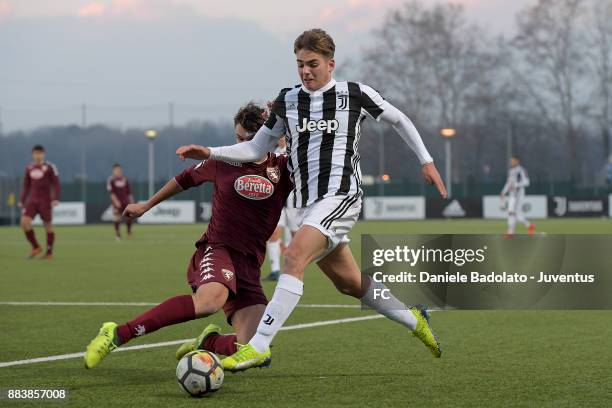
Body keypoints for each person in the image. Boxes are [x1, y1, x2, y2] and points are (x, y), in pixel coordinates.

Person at [176, 28, 447, 372]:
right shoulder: (288, 100)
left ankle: (258, 345)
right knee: (349, 283)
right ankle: (414, 320)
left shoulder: (355, 94)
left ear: (331, 64)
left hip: (341, 196)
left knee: (294, 258)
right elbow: (256, 148)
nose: (306, 71)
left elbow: (399, 119)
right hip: (308, 204)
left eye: (313, 64)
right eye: (300, 64)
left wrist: (426, 160)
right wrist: (212, 151)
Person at [83, 103, 293, 369]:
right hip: (219, 248)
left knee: (255, 349)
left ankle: (208, 342)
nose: (241, 144)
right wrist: (147, 204)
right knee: (209, 301)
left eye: (249, 140)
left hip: (251, 263)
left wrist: (288, 124)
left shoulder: (283, 168)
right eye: (238, 138)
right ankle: (116, 333)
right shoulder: (222, 160)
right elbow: (183, 179)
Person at [18, 145, 60, 260]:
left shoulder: (50, 167)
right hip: (32, 201)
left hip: (45, 201)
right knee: (24, 223)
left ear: (44, 154)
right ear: (32, 155)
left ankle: (49, 252)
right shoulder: (29, 168)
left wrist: (56, 198)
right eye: (36, 153)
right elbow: (26, 186)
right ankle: (36, 247)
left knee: (48, 226)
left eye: (40, 153)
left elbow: (56, 184)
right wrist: (22, 200)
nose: (38, 156)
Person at [500, 155, 535, 237]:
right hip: (512, 195)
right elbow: (509, 183)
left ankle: (511, 232)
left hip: (519, 194)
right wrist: (503, 192)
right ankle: (528, 226)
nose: (511, 162)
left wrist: (516, 185)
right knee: (513, 213)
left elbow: (527, 182)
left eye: (513, 161)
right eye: (511, 161)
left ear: (517, 161)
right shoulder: (511, 171)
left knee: (512, 212)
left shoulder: (521, 170)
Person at [106, 163, 135, 240]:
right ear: (113, 171)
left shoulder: (125, 179)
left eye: (119, 169)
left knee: (129, 218)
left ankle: (129, 233)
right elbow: (111, 192)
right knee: (116, 218)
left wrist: (132, 201)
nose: (118, 171)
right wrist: (115, 201)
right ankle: (117, 235)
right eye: (116, 170)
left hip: (126, 202)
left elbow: (129, 192)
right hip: (117, 202)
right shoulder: (111, 180)